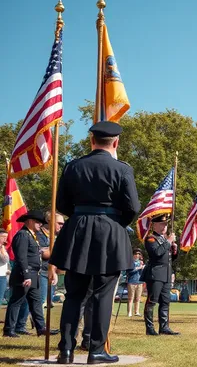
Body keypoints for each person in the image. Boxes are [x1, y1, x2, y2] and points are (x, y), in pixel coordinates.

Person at [50, 121, 141, 364]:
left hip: (78, 230)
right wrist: (115, 222)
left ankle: (66, 350)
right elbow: (133, 206)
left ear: (92, 142)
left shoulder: (73, 166)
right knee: (103, 294)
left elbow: (61, 205)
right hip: (109, 233)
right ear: (116, 143)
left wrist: (81, 215)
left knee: (74, 294)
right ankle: (96, 350)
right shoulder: (122, 169)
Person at [2, 211, 50, 338]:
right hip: (24, 274)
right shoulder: (23, 235)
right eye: (38, 222)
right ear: (29, 221)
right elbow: (21, 257)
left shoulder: (32, 235)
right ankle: (9, 330)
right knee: (16, 301)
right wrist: (26, 275)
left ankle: (41, 328)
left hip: (34, 273)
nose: (40, 225)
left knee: (36, 301)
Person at [141, 213, 180, 336]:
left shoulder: (164, 240)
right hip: (155, 274)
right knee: (152, 301)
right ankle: (150, 328)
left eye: (166, 224)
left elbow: (168, 259)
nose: (164, 227)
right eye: (162, 224)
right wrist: (168, 242)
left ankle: (164, 326)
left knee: (165, 302)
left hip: (166, 274)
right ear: (155, 225)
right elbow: (156, 253)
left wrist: (174, 251)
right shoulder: (151, 238)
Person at [126, 249, 144, 317]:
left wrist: (142, 268)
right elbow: (129, 272)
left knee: (138, 298)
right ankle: (129, 312)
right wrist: (139, 268)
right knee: (131, 298)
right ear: (133, 255)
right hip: (131, 282)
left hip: (139, 282)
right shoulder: (130, 262)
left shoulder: (141, 262)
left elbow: (142, 273)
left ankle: (137, 311)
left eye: (139, 254)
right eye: (136, 254)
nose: (137, 255)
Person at [0, 230, 9, 305]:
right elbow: (5, 259)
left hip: (3, 274)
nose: (5, 239)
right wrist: (2, 248)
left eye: (6, 237)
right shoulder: (1, 248)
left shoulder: (2, 247)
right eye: (3, 237)